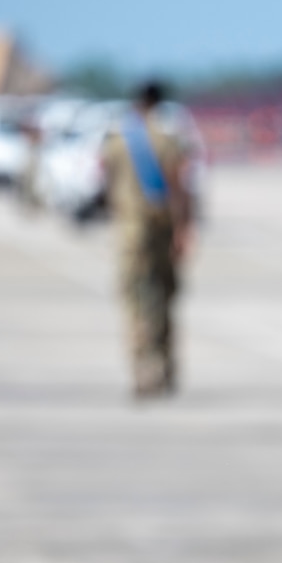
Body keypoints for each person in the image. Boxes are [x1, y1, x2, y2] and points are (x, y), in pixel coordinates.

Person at [100, 81, 195, 399]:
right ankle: (166, 369)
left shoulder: (117, 141)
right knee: (165, 301)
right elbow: (180, 187)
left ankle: (142, 373)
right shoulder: (169, 140)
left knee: (135, 304)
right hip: (162, 232)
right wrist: (184, 229)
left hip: (130, 236)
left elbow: (103, 180)